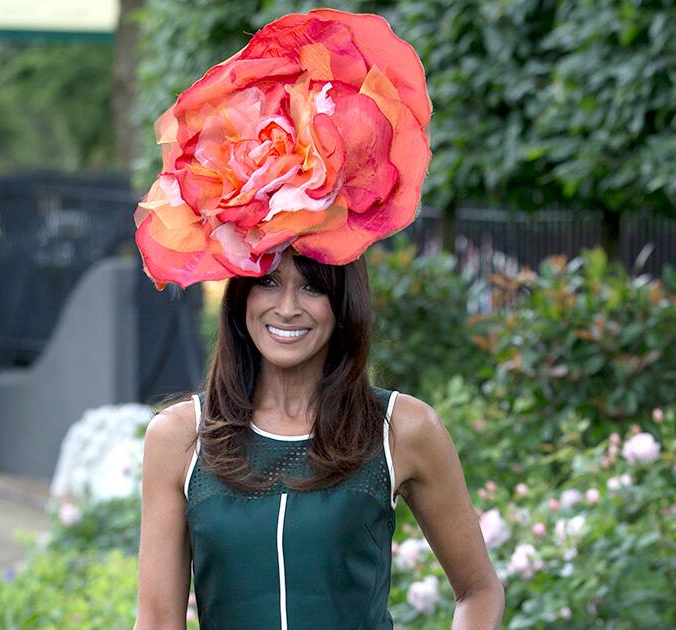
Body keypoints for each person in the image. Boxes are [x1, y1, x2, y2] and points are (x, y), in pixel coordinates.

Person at [133, 10, 504, 629]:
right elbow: (157, 622)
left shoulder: (401, 429)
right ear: (239, 298)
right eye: (268, 283)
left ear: (343, 303)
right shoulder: (179, 438)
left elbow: (479, 592)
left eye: (312, 289)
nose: (286, 307)